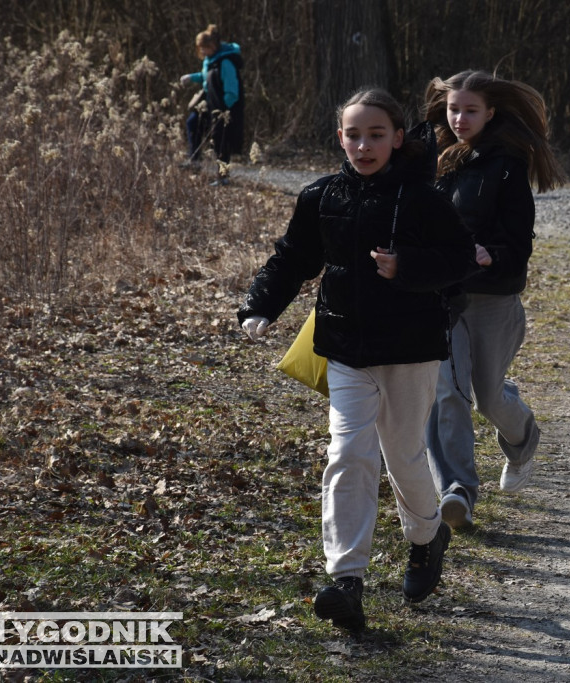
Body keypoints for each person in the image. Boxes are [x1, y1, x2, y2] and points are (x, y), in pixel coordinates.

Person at [237, 89, 477, 633]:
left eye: (375, 135)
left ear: (397, 138)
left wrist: (407, 267)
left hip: (412, 350)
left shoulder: (423, 199)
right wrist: (261, 305)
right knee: (348, 453)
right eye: (352, 134)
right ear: (339, 137)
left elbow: (462, 260)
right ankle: (346, 579)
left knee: (404, 459)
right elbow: (292, 257)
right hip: (345, 350)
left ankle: (426, 536)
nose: (363, 146)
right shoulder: (322, 196)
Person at [423, 70, 564, 529]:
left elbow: (519, 245)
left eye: (470, 110)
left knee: (487, 397)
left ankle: (523, 438)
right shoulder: (432, 157)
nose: (460, 118)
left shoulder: (506, 165)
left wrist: (491, 255)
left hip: (492, 299)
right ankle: (457, 491)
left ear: (490, 112)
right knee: (448, 392)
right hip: (442, 295)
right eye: (453, 109)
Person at [179, 24, 245, 184]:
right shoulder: (211, 60)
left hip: (224, 108)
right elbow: (206, 76)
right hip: (210, 104)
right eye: (200, 48)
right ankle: (194, 160)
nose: (202, 52)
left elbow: (232, 91)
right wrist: (191, 77)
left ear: (212, 46)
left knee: (221, 141)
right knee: (193, 123)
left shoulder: (225, 63)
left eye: (204, 48)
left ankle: (223, 178)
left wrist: (224, 112)